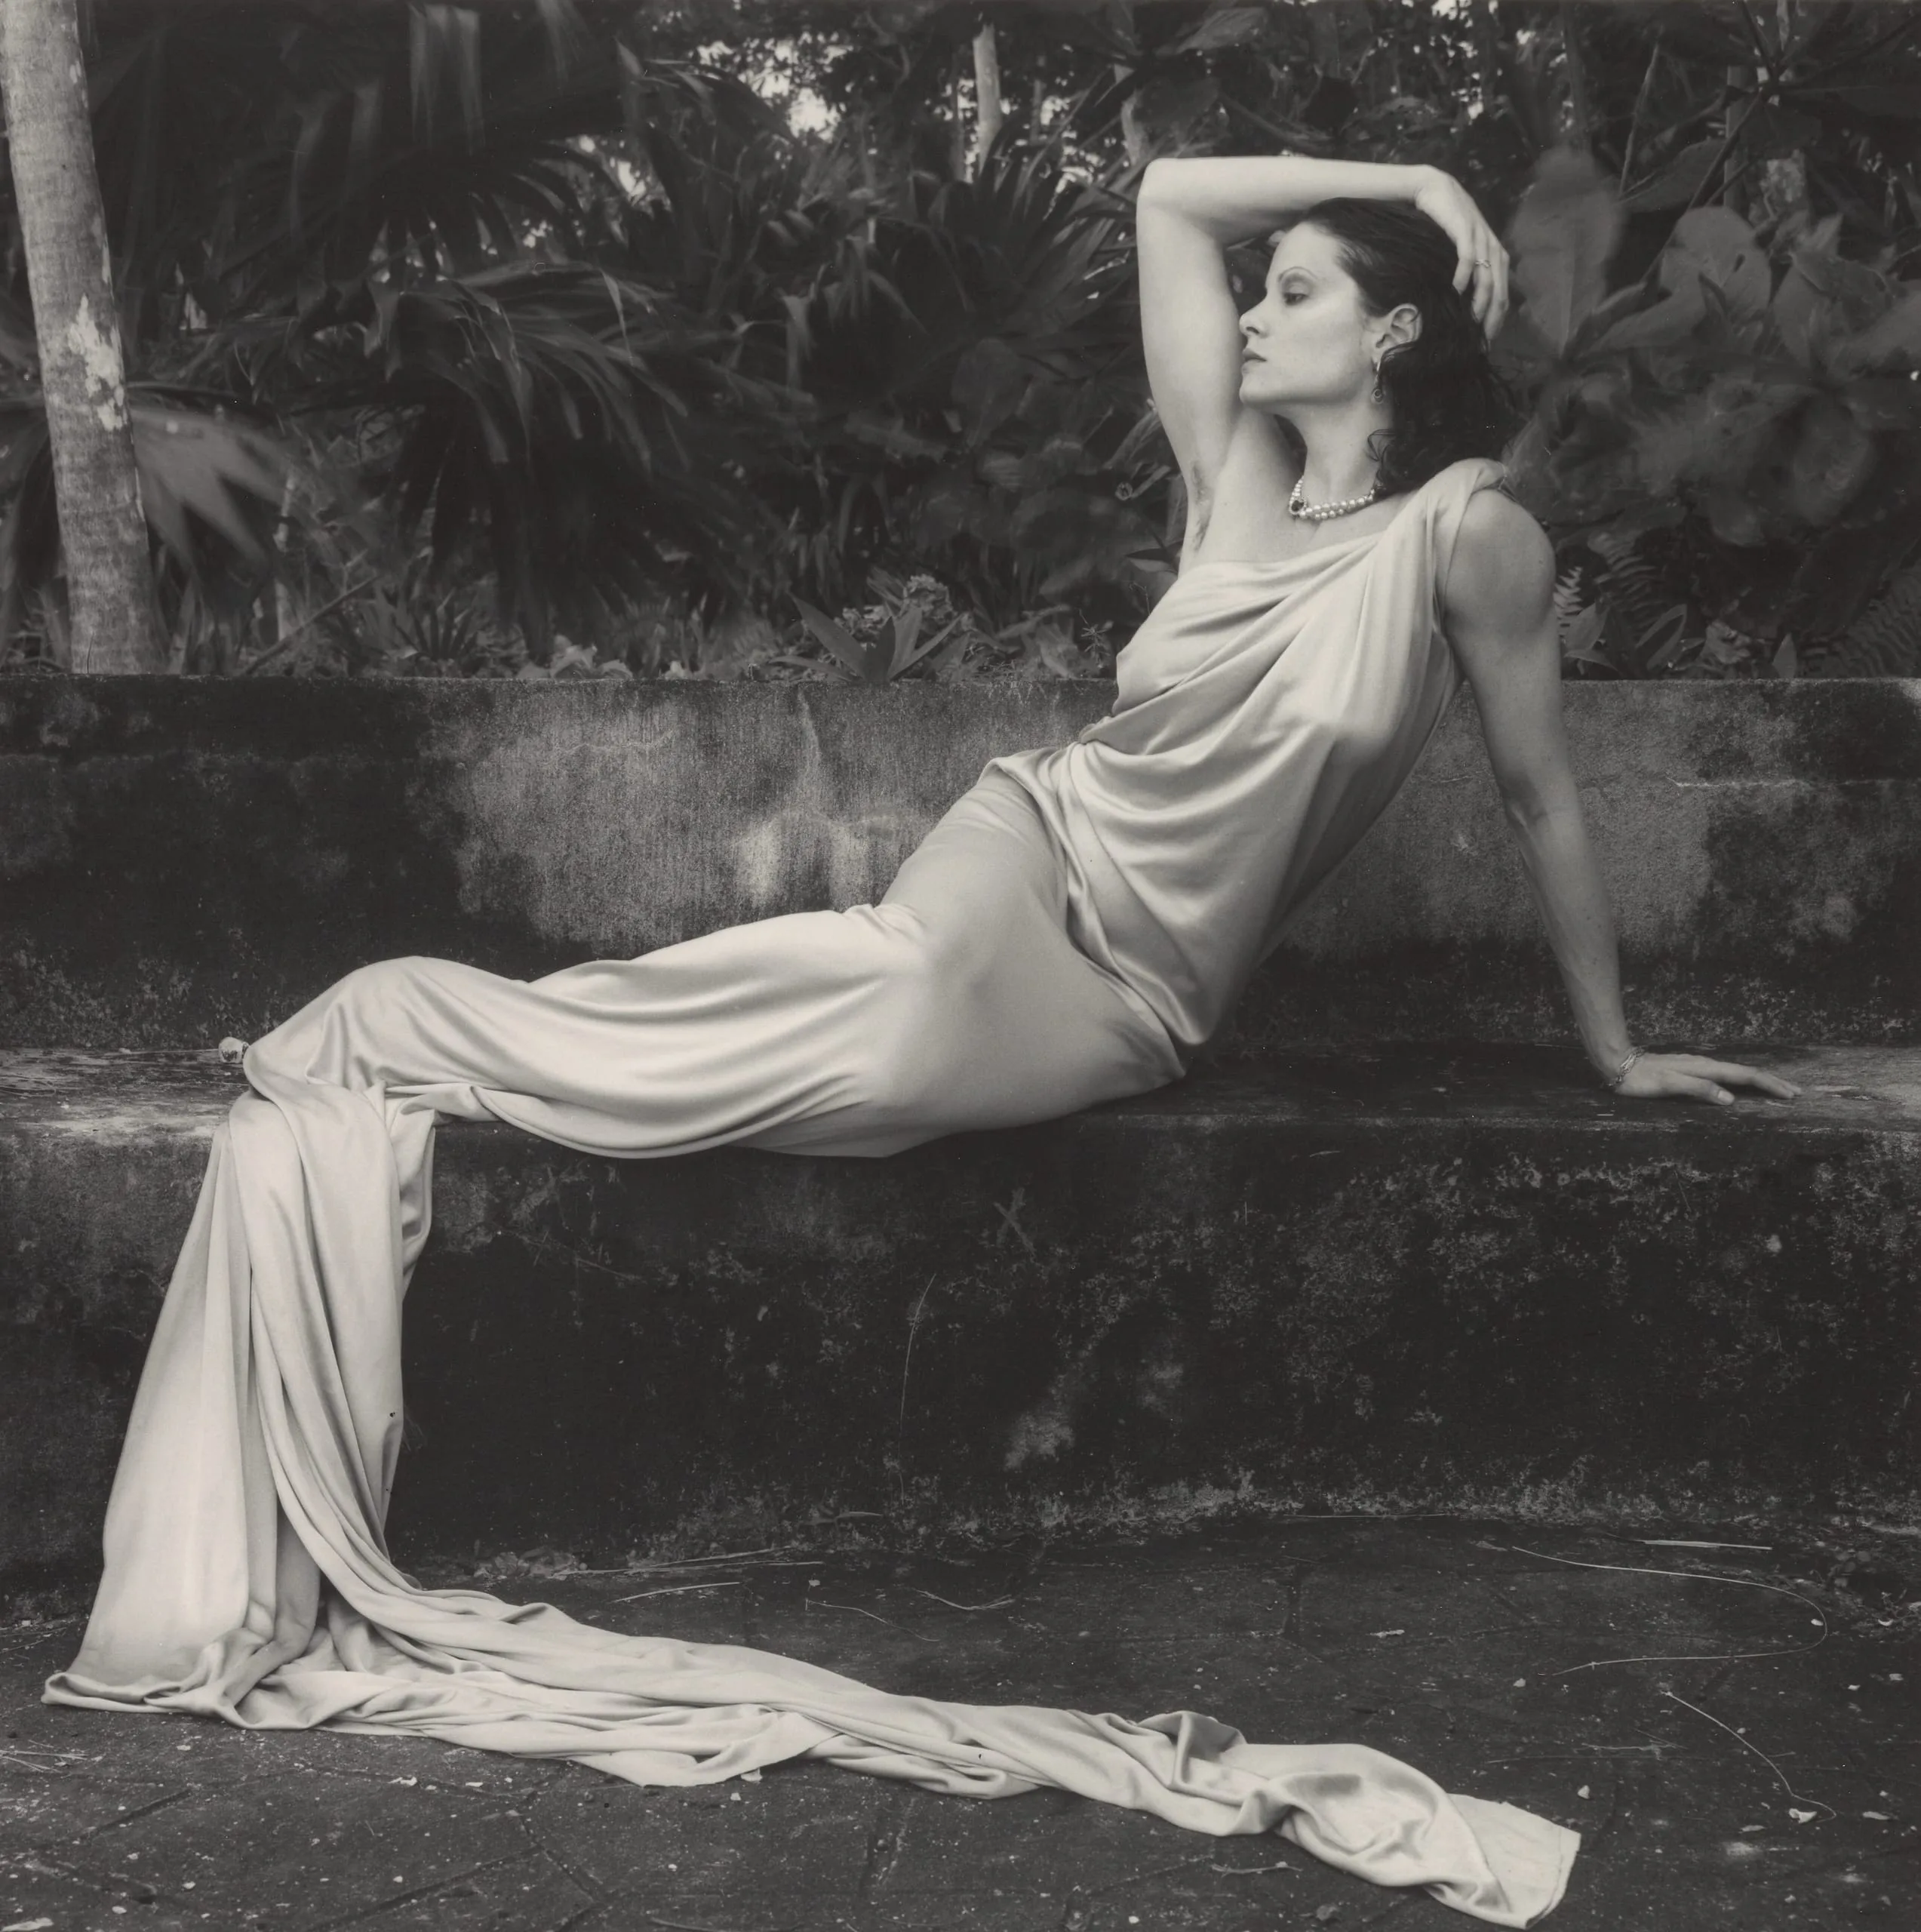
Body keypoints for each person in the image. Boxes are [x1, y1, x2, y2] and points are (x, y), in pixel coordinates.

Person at [45, 155, 1795, 1927]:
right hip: (1031, 840)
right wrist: (1404, 172)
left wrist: (1614, 1051)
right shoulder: (1233, 472)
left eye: (1300, 292)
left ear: (1395, 330)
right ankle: (407, 1025)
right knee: (895, 996)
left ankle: (435, 1025)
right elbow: (1169, 199)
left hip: (1139, 988)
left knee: (885, 1076)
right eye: (1259, 292)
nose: (1256, 316)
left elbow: (1539, 793)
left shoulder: (1472, 535)